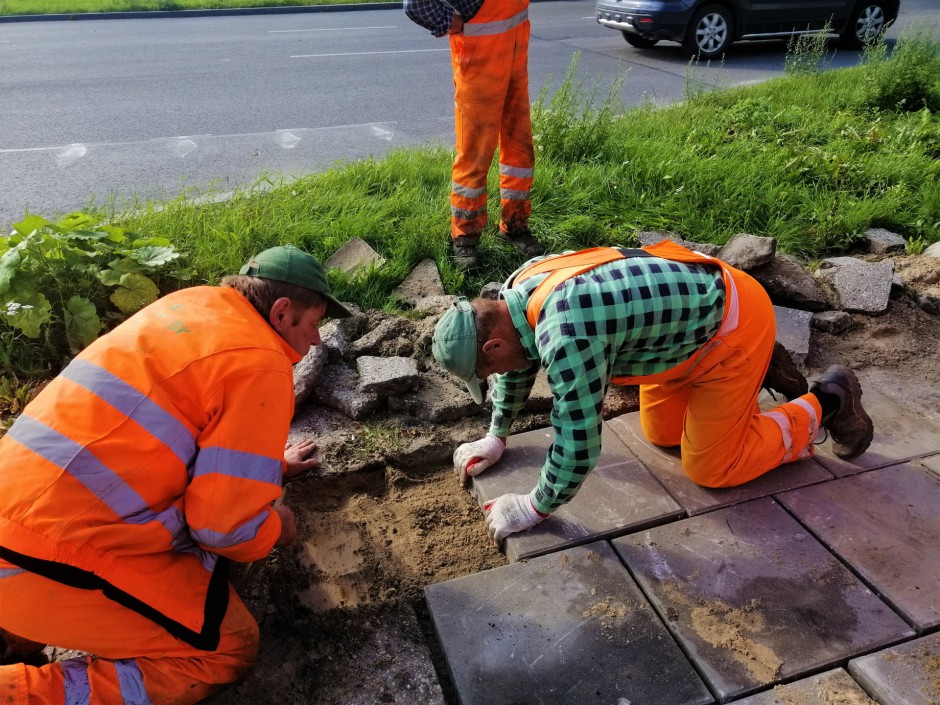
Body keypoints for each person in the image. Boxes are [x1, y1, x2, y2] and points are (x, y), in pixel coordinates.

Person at [0, 245, 351, 704]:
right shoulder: (260, 361)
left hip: (21, 516)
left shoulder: (189, 305)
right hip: (48, 556)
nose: (317, 340)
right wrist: (276, 529)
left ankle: (13, 637)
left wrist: (269, 467)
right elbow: (223, 530)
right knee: (222, 649)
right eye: (312, 324)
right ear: (282, 312)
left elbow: (165, 425)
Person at [432, 241, 874, 545]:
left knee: (713, 468)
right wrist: (496, 435)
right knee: (662, 435)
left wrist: (533, 508)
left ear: (492, 345)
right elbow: (516, 363)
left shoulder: (566, 334)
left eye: (487, 371)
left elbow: (578, 441)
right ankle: (755, 377)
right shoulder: (516, 290)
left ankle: (826, 401)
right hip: (678, 331)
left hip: (732, 327)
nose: (496, 378)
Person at [403, 0, 545, 270]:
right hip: (478, 65)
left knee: (519, 149)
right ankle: (465, 236)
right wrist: (453, 22)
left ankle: (515, 226)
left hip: (514, 60)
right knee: (475, 155)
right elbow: (416, 4)